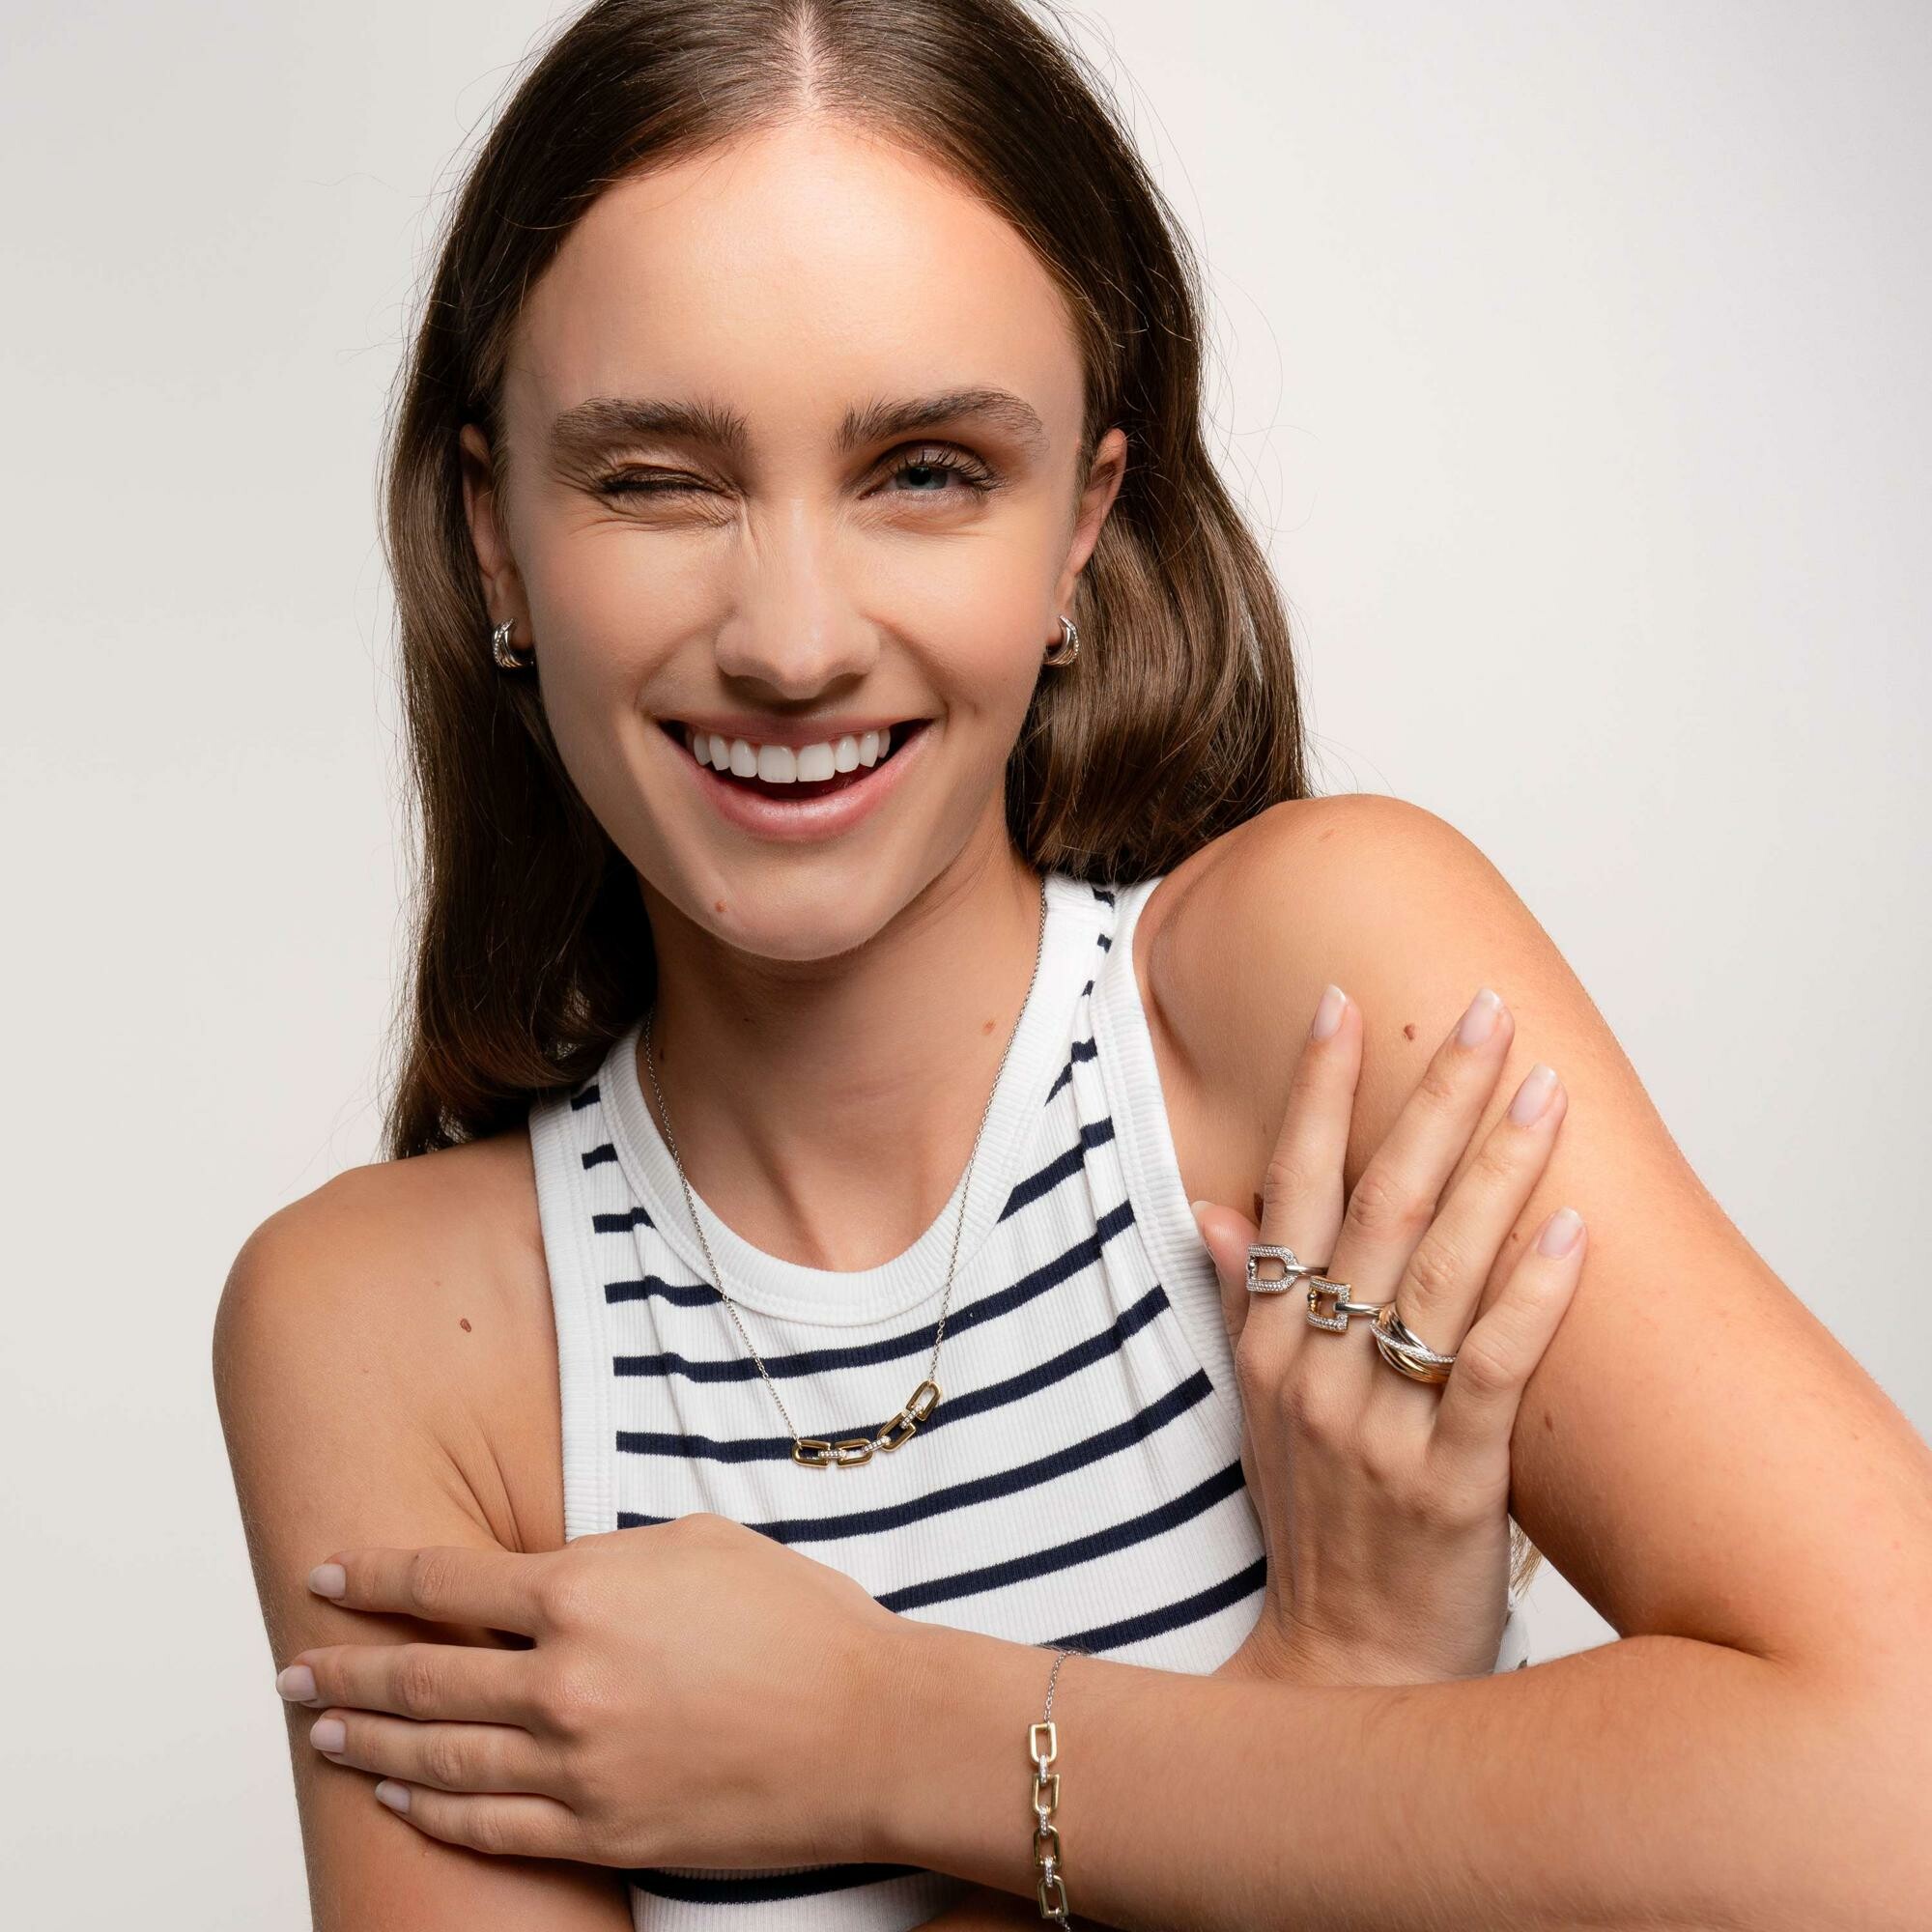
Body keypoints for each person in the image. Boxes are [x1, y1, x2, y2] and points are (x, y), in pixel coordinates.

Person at [212, 2, 1932, 1928]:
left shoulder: (1309, 1003)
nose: (793, 640)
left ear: (1080, 531)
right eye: (660, 479)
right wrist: (1334, 1689)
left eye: (928, 470)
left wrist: (895, 1737)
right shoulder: (380, 1337)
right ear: (496, 541)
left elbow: (1898, 1803)